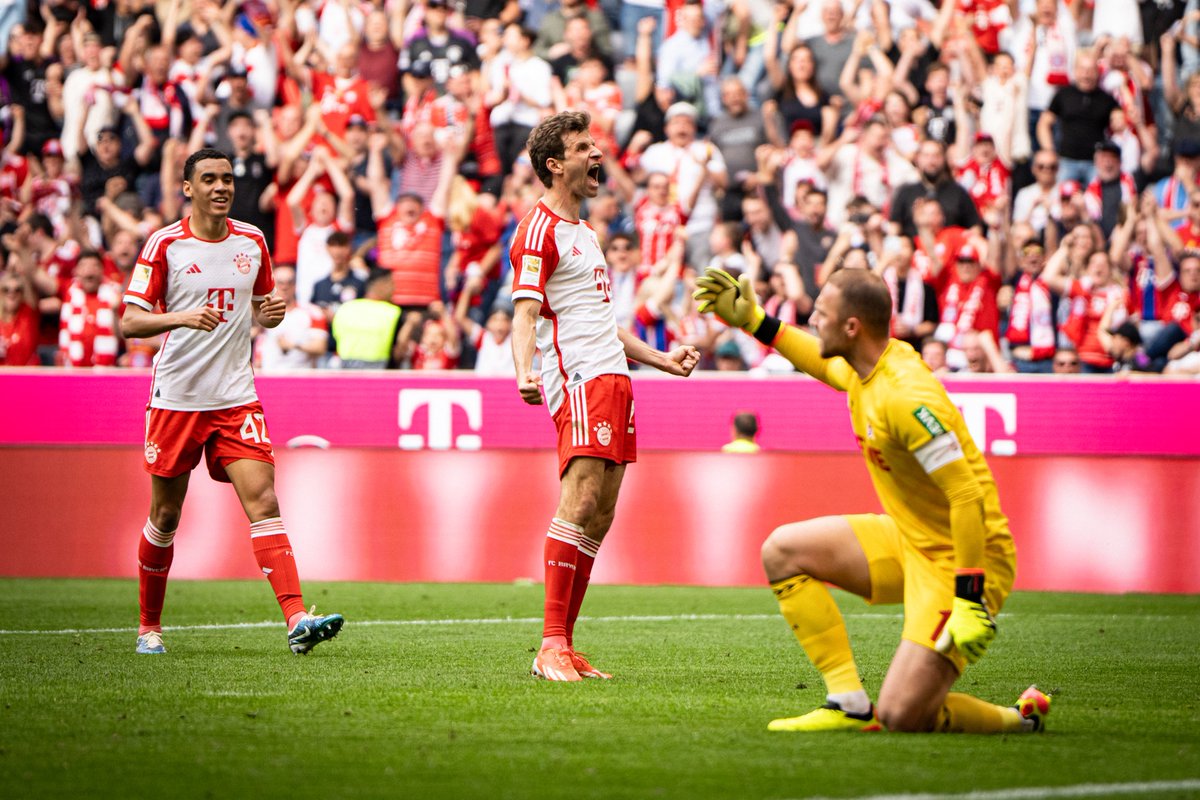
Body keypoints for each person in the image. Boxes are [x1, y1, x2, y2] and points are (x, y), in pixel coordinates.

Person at [693, 266, 1050, 733]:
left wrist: (968, 595)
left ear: (851, 327)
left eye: (820, 313)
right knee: (783, 550)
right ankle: (847, 703)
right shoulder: (866, 370)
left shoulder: (906, 396)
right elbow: (822, 364)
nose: (812, 319)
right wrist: (754, 320)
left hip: (965, 559)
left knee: (905, 715)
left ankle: (1020, 721)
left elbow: (965, 493)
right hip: (909, 541)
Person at [120, 147, 343, 656]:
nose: (221, 187)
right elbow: (130, 322)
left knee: (263, 500)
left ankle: (296, 619)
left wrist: (274, 312)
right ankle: (148, 626)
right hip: (176, 399)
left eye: (227, 179)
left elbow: (264, 311)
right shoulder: (166, 245)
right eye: (210, 179)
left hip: (236, 398)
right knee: (166, 516)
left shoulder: (253, 240)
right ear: (188, 189)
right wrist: (180, 317)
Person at [511, 111, 700, 682]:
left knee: (602, 514)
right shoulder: (537, 229)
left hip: (615, 376)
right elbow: (523, 312)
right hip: (579, 379)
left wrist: (661, 359)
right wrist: (524, 370)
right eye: (584, 147)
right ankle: (549, 646)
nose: (597, 155)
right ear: (555, 164)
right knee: (580, 500)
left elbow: (602, 319)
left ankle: (565, 644)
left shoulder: (587, 233)